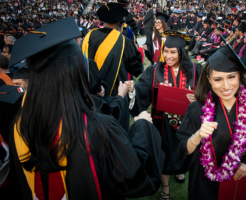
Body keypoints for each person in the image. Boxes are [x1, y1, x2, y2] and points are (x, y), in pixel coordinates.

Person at [8, 17, 164, 200]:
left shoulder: (19, 125)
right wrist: (142, 127)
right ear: (74, 72)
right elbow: (133, 181)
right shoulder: (96, 129)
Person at [169, 47, 246, 200]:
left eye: (231, 77)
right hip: (204, 179)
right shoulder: (197, 109)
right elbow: (181, 148)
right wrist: (198, 135)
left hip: (237, 178)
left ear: (240, 75)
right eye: (218, 79)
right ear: (208, 79)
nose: (226, 86)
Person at [126, 30, 202, 200]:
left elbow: (206, 94)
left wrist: (198, 97)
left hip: (186, 122)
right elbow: (143, 88)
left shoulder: (196, 70)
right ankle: (165, 186)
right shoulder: (155, 70)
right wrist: (134, 89)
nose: (167, 56)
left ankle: (180, 171)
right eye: (165, 51)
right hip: (162, 123)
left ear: (181, 52)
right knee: (164, 151)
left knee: (184, 149)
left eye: (172, 52)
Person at [82, 3, 144, 131]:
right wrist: (136, 51)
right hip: (116, 94)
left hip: (90, 92)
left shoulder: (88, 36)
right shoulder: (123, 42)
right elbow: (136, 69)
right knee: (116, 129)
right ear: (118, 23)